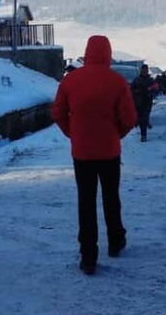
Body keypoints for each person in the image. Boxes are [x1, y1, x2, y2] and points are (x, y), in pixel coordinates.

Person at [52, 36, 137, 275]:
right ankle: (116, 241)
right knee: (111, 198)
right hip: (109, 152)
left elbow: (57, 113)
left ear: (87, 53)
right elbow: (129, 118)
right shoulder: (117, 82)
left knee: (86, 202)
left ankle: (88, 255)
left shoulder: (71, 81)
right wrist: (116, 135)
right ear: (108, 53)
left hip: (82, 153)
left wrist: (73, 133)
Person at [131, 64, 158, 142]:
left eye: (145, 70)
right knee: (140, 117)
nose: (144, 71)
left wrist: (151, 92)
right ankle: (143, 125)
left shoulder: (151, 80)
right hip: (138, 101)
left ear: (147, 71)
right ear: (141, 70)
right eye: (143, 70)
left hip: (147, 101)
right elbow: (131, 89)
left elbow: (156, 89)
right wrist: (136, 92)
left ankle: (143, 135)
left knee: (144, 117)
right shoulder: (136, 80)